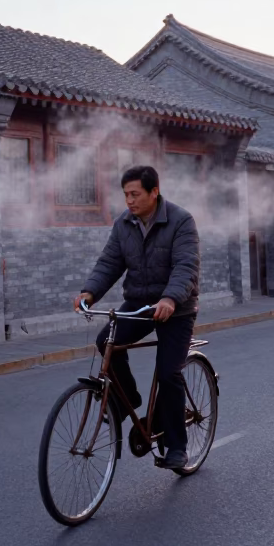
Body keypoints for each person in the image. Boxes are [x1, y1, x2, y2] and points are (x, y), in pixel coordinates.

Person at [76, 165, 200, 470]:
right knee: (106, 340)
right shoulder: (124, 223)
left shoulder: (181, 221)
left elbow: (186, 266)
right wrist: (89, 292)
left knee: (169, 371)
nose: (129, 200)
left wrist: (170, 298)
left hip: (176, 308)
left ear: (154, 192)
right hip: (140, 305)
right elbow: (109, 262)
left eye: (135, 194)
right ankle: (128, 397)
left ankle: (176, 446)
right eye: (126, 195)